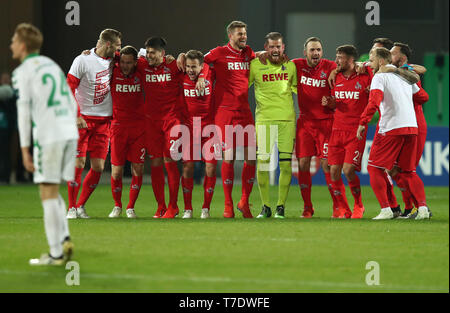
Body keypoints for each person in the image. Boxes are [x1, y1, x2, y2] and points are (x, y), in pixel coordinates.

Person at [10, 23, 78, 265]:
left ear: (23, 46)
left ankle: (55, 253)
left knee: (46, 193)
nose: (11, 45)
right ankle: (64, 237)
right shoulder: (52, 65)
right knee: (54, 188)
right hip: (70, 132)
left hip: (49, 135)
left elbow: (24, 112)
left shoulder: (22, 73)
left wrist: (25, 149)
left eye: (14, 41)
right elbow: (72, 102)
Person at [178, 21, 257, 218]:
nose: (243, 37)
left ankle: (244, 201)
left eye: (245, 33)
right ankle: (228, 205)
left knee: (252, 158)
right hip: (225, 111)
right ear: (230, 36)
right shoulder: (219, 52)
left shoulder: (249, 53)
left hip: (244, 110)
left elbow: (260, 57)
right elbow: (200, 61)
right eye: (240, 34)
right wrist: (202, 75)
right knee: (228, 157)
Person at [357, 47, 430, 220]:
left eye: (372, 59)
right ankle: (423, 209)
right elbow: (423, 97)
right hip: (412, 127)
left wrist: (362, 122)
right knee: (408, 171)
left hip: (391, 127)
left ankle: (386, 209)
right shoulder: (403, 77)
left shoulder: (379, 77)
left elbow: (374, 102)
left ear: (381, 62)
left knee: (374, 167)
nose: (370, 63)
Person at [66, 28, 122, 219]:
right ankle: (71, 208)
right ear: (108, 44)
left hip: (104, 121)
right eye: (118, 45)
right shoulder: (82, 60)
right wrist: (76, 115)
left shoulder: (116, 60)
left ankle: (81, 205)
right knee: (79, 162)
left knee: (97, 167)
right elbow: (69, 87)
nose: (119, 50)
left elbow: (138, 55)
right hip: (82, 120)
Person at [292, 37, 343, 218]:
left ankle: (337, 206)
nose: (316, 53)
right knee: (303, 164)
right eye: (312, 50)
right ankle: (307, 207)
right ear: (304, 52)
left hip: (326, 123)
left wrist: (331, 102)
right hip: (305, 123)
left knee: (327, 165)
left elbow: (339, 98)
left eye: (319, 50)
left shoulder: (330, 67)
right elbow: (278, 65)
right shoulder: (295, 65)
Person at [248, 32, 297, 219]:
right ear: (266, 48)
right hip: (264, 120)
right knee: (263, 163)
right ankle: (265, 206)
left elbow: (301, 90)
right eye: (272, 47)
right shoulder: (255, 65)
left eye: (278, 46)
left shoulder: (291, 67)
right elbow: (239, 84)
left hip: (286, 120)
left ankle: (280, 207)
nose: (275, 50)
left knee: (285, 166)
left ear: (283, 47)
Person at [322, 45, 372, 219]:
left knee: (348, 169)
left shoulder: (366, 77)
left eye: (341, 57)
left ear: (351, 60)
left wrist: (363, 64)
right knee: (333, 170)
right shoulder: (335, 78)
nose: (337, 60)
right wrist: (330, 103)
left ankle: (359, 204)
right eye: (336, 56)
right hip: (337, 130)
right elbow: (338, 102)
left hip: (355, 130)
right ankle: (344, 208)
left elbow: (379, 67)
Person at [389, 42, 429, 218]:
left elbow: (423, 96)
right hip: (400, 125)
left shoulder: (409, 74)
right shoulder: (392, 72)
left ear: (402, 58)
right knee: (394, 170)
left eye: (393, 53)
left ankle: (422, 208)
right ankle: (411, 207)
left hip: (415, 125)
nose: (390, 56)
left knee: (408, 170)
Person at [180, 50, 219, 219]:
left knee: (210, 168)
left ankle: (206, 208)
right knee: (187, 168)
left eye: (194, 67)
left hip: (210, 129)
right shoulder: (181, 76)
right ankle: (187, 209)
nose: (190, 70)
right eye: (188, 66)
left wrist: (203, 75)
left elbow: (213, 67)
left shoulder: (210, 74)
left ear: (202, 66)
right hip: (190, 129)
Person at [107, 46, 145, 219]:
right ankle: (117, 205)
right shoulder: (113, 71)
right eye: (122, 62)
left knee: (138, 168)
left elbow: (150, 55)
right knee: (116, 171)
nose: (125, 66)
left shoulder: (141, 72)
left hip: (139, 128)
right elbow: (104, 52)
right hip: (118, 127)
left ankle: (130, 207)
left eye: (129, 62)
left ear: (135, 62)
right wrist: (91, 50)